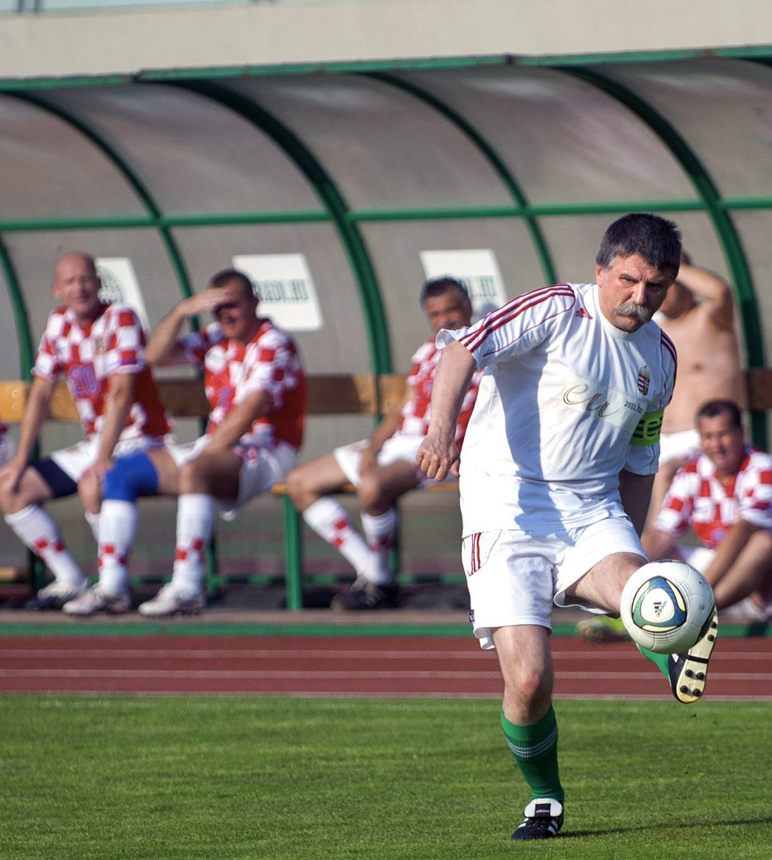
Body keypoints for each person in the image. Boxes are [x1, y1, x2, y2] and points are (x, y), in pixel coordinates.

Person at [416, 213, 719, 842]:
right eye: (630, 281)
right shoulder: (557, 311)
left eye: (657, 287)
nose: (641, 298)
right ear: (602, 271)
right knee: (528, 682)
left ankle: (662, 633)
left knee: (643, 587)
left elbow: (640, 460)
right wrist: (440, 427)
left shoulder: (660, 359)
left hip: (591, 511)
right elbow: (461, 348)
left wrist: (629, 549)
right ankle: (545, 798)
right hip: (507, 509)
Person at [63, 269, 306, 617]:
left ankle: (187, 588)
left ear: (254, 301)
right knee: (118, 473)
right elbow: (155, 356)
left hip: (269, 449)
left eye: (233, 306)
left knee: (194, 470)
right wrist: (180, 312)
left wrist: (203, 457)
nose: (227, 315)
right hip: (219, 445)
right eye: (218, 309)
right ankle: (113, 587)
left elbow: (249, 411)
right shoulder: (215, 338)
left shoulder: (272, 342)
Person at [286, 276, 481, 612]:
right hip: (398, 444)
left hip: (440, 450)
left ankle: (378, 582)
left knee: (373, 487)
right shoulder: (426, 350)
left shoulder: (487, 347)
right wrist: (372, 448)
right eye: (435, 314)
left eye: (452, 309)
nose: (444, 319)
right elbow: (402, 408)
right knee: (298, 483)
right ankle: (374, 573)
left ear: (468, 306)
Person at [0, 252, 170, 609]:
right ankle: (71, 579)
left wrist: (103, 457)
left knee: (93, 484)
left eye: (86, 279)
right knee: (10, 489)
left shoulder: (120, 318)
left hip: (140, 440)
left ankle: (114, 587)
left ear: (98, 282)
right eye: (70, 282)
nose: (80, 287)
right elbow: (42, 391)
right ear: (57, 289)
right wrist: (18, 460)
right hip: (97, 442)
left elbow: (122, 392)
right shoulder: (58, 323)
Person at [642, 398, 772, 621]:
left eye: (723, 434)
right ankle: (634, 611)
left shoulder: (764, 468)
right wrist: (631, 582)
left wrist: (702, 588)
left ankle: (691, 613)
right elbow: (661, 533)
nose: (716, 445)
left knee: (763, 544)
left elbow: (745, 529)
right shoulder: (691, 472)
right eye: (708, 436)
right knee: (664, 553)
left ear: (740, 433)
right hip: (723, 578)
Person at [647, 253, 745, 520]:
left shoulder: (711, 318)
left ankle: (651, 555)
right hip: (654, 439)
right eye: (655, 284)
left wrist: (673, 266)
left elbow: (720, 291)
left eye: (667, 281)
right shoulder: (650, 329)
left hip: (706, 441)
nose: (660, 292)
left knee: (664, 474)